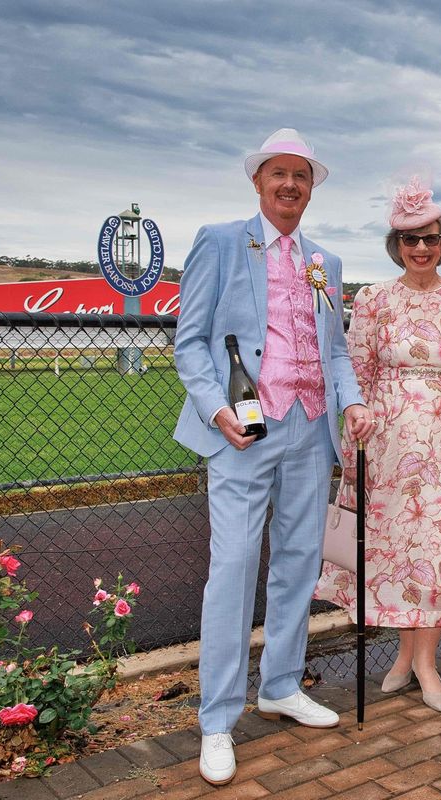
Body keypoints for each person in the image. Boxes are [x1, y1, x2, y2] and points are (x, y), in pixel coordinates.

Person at [173, 128, 372, 786]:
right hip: (242, 432)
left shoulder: (325, 264)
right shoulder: (222, 240)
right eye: (279, 172)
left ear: (312, 188)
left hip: (309, 431)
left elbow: (336, 352)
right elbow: (191, 343)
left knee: (298, 565)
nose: (291, 184)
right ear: (258, 180)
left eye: (302, 175)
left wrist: (353, 403)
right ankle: (217, 717)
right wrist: (216, 408)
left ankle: (282, 684)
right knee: (231, 568)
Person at [314, 176, 441, 710]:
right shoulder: (374, 300)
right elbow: (357, 373)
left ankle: (426, 660)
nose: (421, 248)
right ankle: (401, 654)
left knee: (439, 553)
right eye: (410, 239)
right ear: (396, 246)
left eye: (431, 239)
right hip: (389, 445)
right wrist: (353, 446)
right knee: (395, 554)